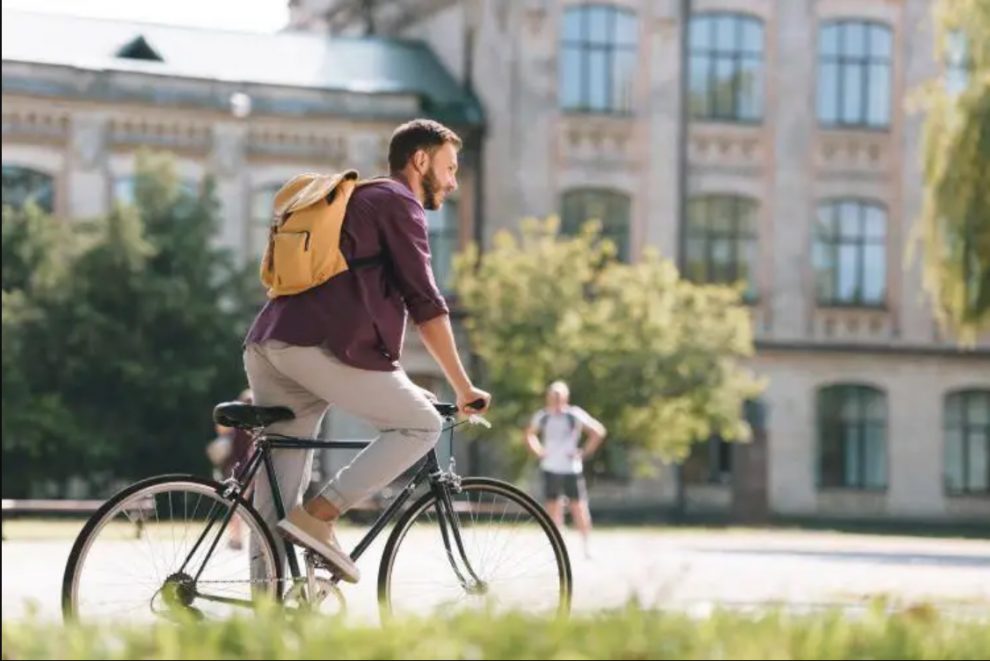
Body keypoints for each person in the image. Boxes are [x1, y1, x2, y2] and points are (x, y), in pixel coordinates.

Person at [242, 119, 491, 583]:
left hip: (270, 342)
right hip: (319, 347)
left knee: (274, 497)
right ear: (420, 161)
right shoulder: (400, 203)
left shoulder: (360, 199)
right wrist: (462, 386)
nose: (455, 181)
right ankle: (321, 513)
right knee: (421, 423)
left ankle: (268, 614)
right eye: (450, 167)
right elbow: (426, 304)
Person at [524, 381, 606, 558]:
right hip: (550, 467)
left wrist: (583, 452)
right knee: (553, 508)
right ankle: (557, 548)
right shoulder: (543, 416)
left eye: (559, 396)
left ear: (566, 397)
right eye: (553, 395)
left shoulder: (574, 415)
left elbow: (598, 431)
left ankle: (586, 547)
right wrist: (539, 451)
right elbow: (529, 434)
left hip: (571, 469)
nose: (556, 399)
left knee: (579, 507)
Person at [206, 389, 255, 550]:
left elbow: (220, 430)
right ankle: (237, 537)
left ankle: (235, 537)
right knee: (240, 504)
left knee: (235, 504)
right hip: (247, 467)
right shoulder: (254, 427)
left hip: (234, 467)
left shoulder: (236, 425)